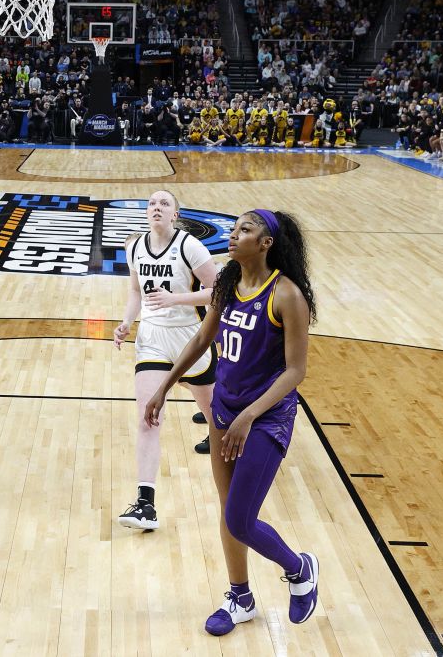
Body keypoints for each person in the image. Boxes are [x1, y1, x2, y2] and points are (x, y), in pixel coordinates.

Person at [145, 208, 319, 636]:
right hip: (226, 410)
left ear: (266, 243)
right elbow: (204, 338)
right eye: (234, 227)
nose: (233, 233)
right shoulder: (227, 282)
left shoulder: (287, 295)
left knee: (241, 518)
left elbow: (295, 371)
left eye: (245, 229)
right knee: (229, 514)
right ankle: (239, 596)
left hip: (265, 417)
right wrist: (165, 385)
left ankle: (300, 569)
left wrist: (250, 414)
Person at [114, 191, 220, 531]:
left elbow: (219, 292)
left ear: (175, 214)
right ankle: (146, 503)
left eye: (164, 203)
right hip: (153, 340)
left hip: (192, 338)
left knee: (216, 417)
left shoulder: (190, 246)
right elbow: (135, 291)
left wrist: (177, 298)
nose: (156, 207)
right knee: (148, 416)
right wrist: (128, 322)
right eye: (151, 203)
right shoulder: (134, 247)